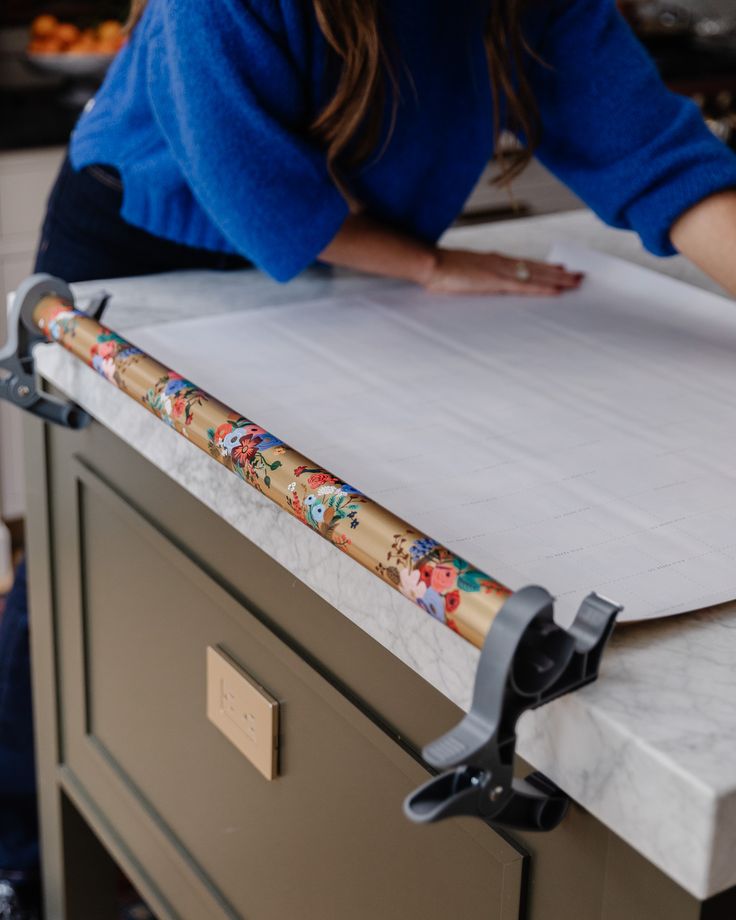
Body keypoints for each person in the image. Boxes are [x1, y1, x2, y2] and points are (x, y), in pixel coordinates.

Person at [3, 0, 736, 914]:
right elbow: (262, 195)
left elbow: (664, 161)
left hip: (349, 251)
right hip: (147, 237)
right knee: (82, 551)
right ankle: (18, 849)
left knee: (271, 556)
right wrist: (426, 266)